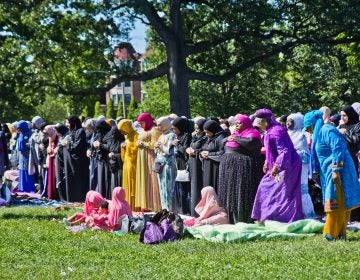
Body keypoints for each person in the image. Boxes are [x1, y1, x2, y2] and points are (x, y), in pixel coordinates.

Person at [304, 110, 360, 240]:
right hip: (329, 171)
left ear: (314, 124)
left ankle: (331, 234)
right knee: (339, 202)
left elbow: (338, 148)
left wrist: (336, 169)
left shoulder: (327, 130)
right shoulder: (322, 132)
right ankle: (340, 234)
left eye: (309, 127)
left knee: (335, 202)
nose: (308, 130)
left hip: (338, 171)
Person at [251, 108, 303, 223]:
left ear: (266, 121)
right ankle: (267, 217)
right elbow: (270, 151)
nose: (258, 126)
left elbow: (284, 151)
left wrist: (276, 166)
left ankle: (286, 219)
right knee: (266, 187)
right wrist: (266, 162)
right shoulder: (268, 131)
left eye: (260, 123)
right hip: (277, 164)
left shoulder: (276, 131)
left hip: (289, 164)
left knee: (285, 192)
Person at [218, 114, 264, 223]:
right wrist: (227, 139)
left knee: (241, 194)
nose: (237, 125)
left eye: (239, 123)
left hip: (243, 169)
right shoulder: (234, 133)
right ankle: (232, 219)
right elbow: (221, 143)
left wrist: (236, 138)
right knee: (231, 194)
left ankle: (244, 219)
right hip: (230, 169)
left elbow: (251, 144)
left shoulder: (253, 133)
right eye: (236, 123)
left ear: (246, 123)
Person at [286, 113, 315, 218]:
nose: (288, 123)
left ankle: (305, 213)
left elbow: (305, 152)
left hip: (301, 165)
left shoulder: (301, 135)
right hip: (289, 165)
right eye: (287, 121)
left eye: (291, 121)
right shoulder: (285, 134)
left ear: (297, 123)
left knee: (301, 188)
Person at [136, 113, 162, 211]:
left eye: (141, 123)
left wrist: (143, 144)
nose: (140, 125)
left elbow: (155, 145)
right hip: (142, 157)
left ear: (147, 121)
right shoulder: (143, 130)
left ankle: (154, 205)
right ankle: (146, 204)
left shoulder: (154, 130)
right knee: (144, 179)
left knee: (152, 180)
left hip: (150, 157)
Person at [338, 105, 360, 222]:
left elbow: (356, 140)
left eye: (345, 115)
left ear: (350, 115)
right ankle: (346, 215)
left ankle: (356, 216)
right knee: (344, 186)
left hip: (353, 159)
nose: (343, 118)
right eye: (341, 115)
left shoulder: (357, 125)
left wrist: (344, 132)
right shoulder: (341, 125)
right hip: (343, 159)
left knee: (353, 185)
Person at [61, 116, 89, 202]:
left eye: (68, 123)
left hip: (79, 162)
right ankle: (72, 198)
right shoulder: (71, 132)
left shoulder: (80, 131)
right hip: (70, 161)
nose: (67, 125)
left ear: (73, 122)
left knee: (78, 181)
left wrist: (67, 144)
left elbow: (77, 146)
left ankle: (79, 199)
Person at [186, 117, 207, 216]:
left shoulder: (205, 137)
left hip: (199, 165)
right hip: (192, 164)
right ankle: (193, 211)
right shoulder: (196, 136)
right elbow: (191, 145)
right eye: (195, 128)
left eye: (198, 128)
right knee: (193, 189)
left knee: (197, 188)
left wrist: (195, 152)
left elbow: (204, 149)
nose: (196, 130)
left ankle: (198, 213)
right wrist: (188, 149)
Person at [154, 116, 176, 210]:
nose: (158, 127)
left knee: (168, 188)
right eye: (157, 125)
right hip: (160, 165)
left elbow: (169, 151)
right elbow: (157, 151)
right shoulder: (161, 135)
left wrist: (161, 146)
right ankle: (164, 209)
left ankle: (169, 209)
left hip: (168, 165)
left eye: (160, 125)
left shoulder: (171, 135)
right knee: (162, 188)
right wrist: (156, 147)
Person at [171, 117, 192, 215]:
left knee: (185, 188)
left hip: (185, 164)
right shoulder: (178, 136)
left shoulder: (187, 135)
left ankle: (187, 210)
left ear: (180, 127)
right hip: (178, 163)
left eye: (175, 129)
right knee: (180, 188)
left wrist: (177, 145)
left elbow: (185, 150)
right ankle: (181, 209)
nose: (174, 131)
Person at [200, 120, 227, 193]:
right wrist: (201, 154)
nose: (206, 134)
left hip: (215, 167)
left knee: (214, 188)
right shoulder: (209, 137)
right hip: (207, 167)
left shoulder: (221, 137)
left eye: (207, 132)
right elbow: (203, 148)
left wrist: (209, 154)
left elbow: (223, 152)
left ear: (213, 130)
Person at [118, 119, 138, 210]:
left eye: (123, 130)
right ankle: (127, 203)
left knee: (132, 182)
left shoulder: (135, 135)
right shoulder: (127, 136)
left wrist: (127, 146)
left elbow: (136, 149)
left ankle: (134, 205)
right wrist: (123, 147)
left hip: (132, 163)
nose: (122, 132)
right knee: (126, 182)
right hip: (126, 162)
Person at [16, 121, 35, 192]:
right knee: (22, 171)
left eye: (19, 128)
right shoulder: (21, 134)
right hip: (21, 157)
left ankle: (29, 188)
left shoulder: (29, 134)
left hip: (28, 156)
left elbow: (31, 146)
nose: (17, 129)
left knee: (28, 171)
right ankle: (22, 188)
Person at [43, 125, 59, 200]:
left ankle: (56, 194)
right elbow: (49, 145)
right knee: (51, 176)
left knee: (55, 176)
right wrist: (48, 149)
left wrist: (55, 149)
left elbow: (58, 145)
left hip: (56, 158)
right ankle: (51, 193)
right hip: (51, 157)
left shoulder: (57, 134)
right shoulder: (50, 136)